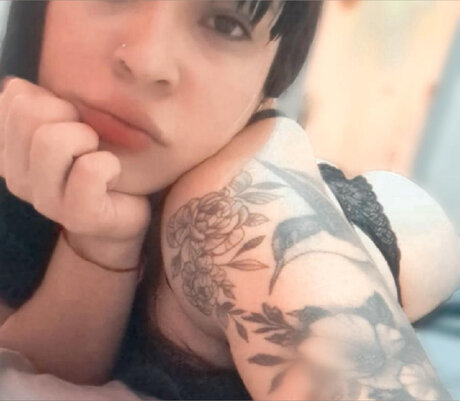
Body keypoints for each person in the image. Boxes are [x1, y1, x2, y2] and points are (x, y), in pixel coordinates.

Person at [0, 1, 458, 400]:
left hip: (380, 217)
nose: (146, 60)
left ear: (268, 85)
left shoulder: (228, 216)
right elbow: (44, 363)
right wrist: (102, 241)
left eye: (225, 24)